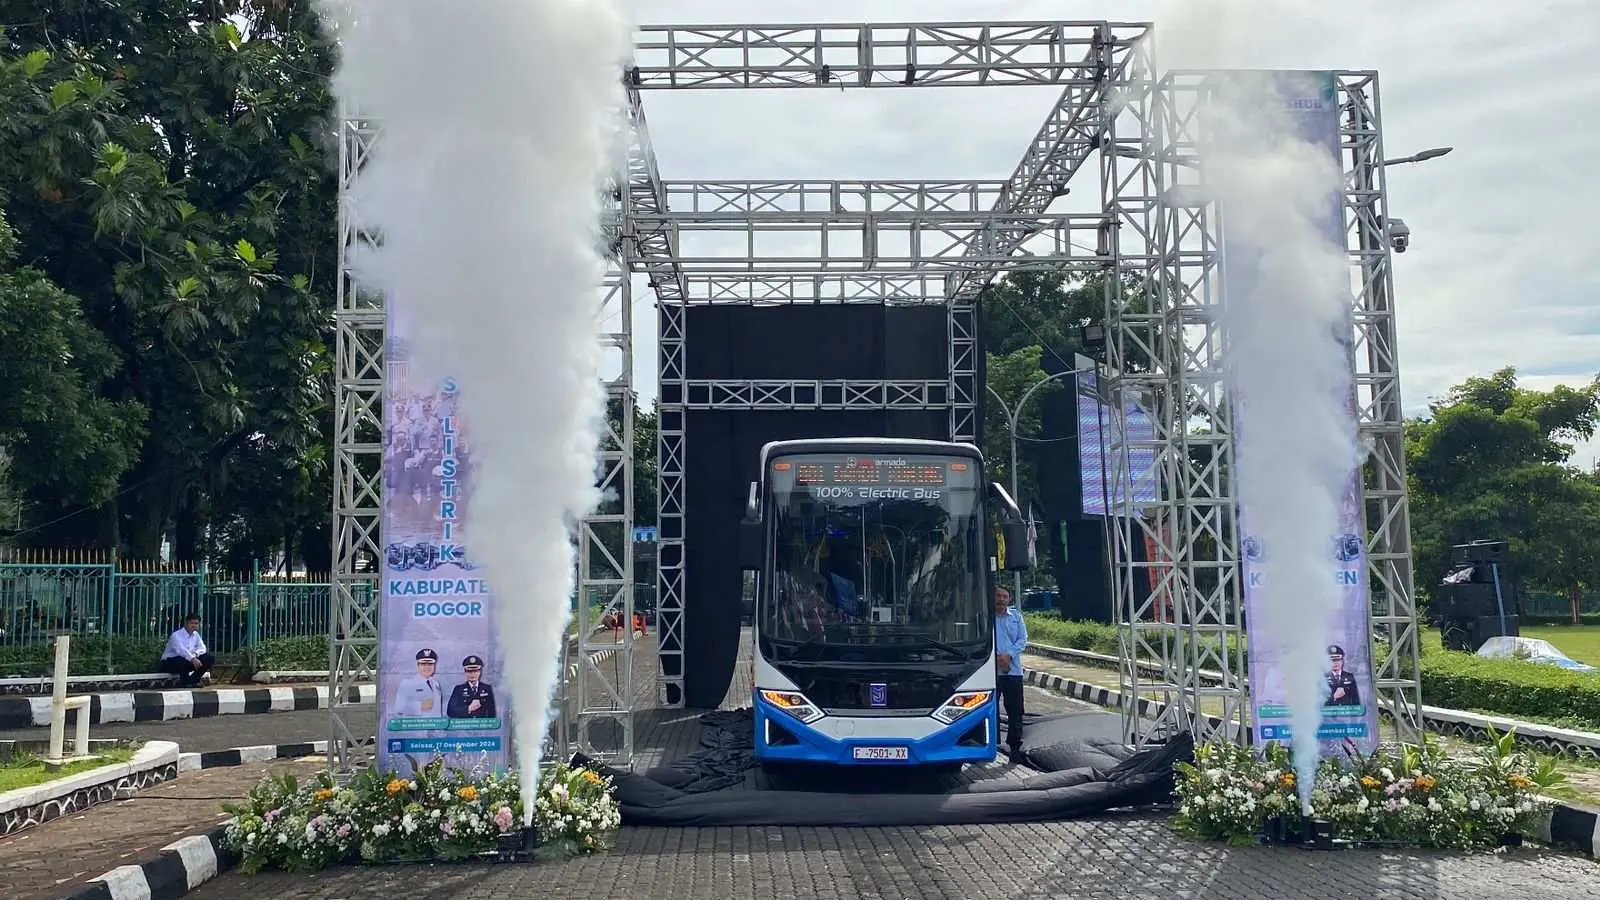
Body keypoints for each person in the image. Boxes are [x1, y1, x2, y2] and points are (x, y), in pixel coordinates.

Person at [993, 585, 1028, 763]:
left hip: (1013, 671)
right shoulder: (985, 617)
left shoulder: (1016, 617)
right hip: (991, 672)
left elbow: (1023, 640)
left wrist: (1009, 655)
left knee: (1015, 710)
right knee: (990, 709)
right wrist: (997, 656)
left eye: (1004, 597)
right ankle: (992, 743)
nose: (1001, 599)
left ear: (1010, 599)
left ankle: (1015, 747)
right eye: (998, 596)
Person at [159, 612, 214, 687]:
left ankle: (192, 681)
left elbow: (203, 648)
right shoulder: (176, 635)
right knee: (181, 660)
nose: (194, 625)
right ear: (186, 623)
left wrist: (195, 655)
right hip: (171, 662)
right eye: (191, 623)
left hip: (189, 660)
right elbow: (180, 650)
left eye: (196, 623)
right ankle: (185, 682)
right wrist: (192, 659)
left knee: (208, 658)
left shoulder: (196, 635)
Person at [392, 648, 445, 717]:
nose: (427, 667)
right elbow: (399, 707)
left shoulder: (436, 684)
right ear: (417, 665)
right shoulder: (407, 684)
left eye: (430, 664)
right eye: (423, 664)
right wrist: (419, 706)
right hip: (416, 726)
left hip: (435, 726)